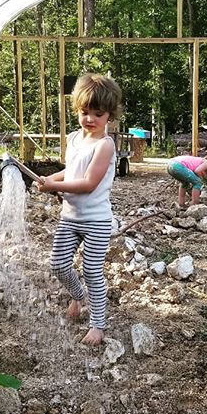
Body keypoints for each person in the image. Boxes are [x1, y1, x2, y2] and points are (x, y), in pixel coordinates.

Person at [37, 73, 121, 346]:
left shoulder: (105, 145)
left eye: (98, 114)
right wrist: (52, 179)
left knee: (92, 270)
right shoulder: (74, 138)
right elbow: (72, 171)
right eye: (85, 112)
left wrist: (54, 188)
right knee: (59, 264)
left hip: (95, 219)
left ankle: (98, 324)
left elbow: (88, 183)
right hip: (70, 217)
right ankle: (78, 295)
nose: (90, 119)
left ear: (110, 114)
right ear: (77, 110)